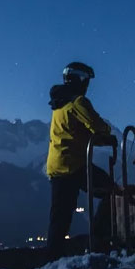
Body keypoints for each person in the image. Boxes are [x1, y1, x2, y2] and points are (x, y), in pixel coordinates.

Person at [46, 61, 116, 254]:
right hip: (74, 166)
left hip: (58, 165)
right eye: (86, 80)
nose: (87, 85)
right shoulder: (78, 102)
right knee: (111, 192)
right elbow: (99, 127)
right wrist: (105, 134)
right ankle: (98, 238)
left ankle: (53, 257)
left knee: (60, 217)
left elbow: (76, 133)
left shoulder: (59, 103)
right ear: (79, 80)